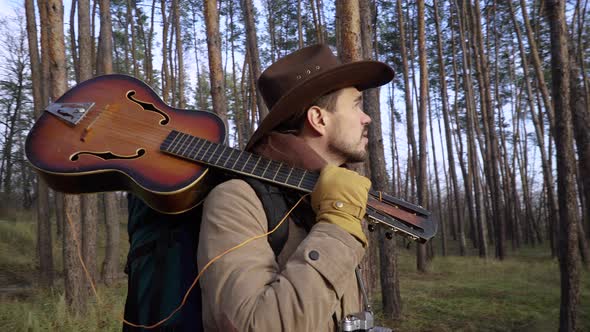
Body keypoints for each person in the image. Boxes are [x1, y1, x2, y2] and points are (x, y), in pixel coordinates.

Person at [197, 44, 394, 331]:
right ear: (318, 119)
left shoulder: (322, 196)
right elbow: (253, 325)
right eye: (356, 105)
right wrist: (339, 222)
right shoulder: (238, 198)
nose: (367, 118)